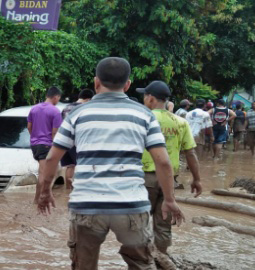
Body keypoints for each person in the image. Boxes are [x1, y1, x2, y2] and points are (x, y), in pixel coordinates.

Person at [37, 57, 184, 269]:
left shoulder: (76, 114)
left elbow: (52, 158)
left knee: (83, 265)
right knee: (141, 264)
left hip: (87, 205)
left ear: (96, 82)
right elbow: (163, 162)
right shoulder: (144, 115)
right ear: (127, 85)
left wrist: (45, 192)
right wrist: (169, 199)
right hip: (131, 205)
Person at [138, 81, 202, 255]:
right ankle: (161, 259)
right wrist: (196, 179)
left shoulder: (143, 119)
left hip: (144, 178)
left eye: (144, 95)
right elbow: (190, 154)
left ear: (150, 98)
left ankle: (142, 262)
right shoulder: (180, 122)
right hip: (169, 180)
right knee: (164, 223)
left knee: (138, 224)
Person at [27, 86, 62, 203]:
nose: (58, 101)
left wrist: (35, 138)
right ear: (56, 97)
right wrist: (54, 147)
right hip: (46, 145)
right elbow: (55, 132)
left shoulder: (34, 109)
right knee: (44, 173)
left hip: (35, 145)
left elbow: (29, 127)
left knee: (41, 171)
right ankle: (40, 200)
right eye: (59, 98)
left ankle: (36, 200)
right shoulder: (55, 111)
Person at [60, 89, 94, 189]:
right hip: (79, 142)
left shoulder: (66, 108)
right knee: (83, 166)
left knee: (70, 166)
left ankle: (68, 191)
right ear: (88, 99)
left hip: (66, 141)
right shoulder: (85, 109)